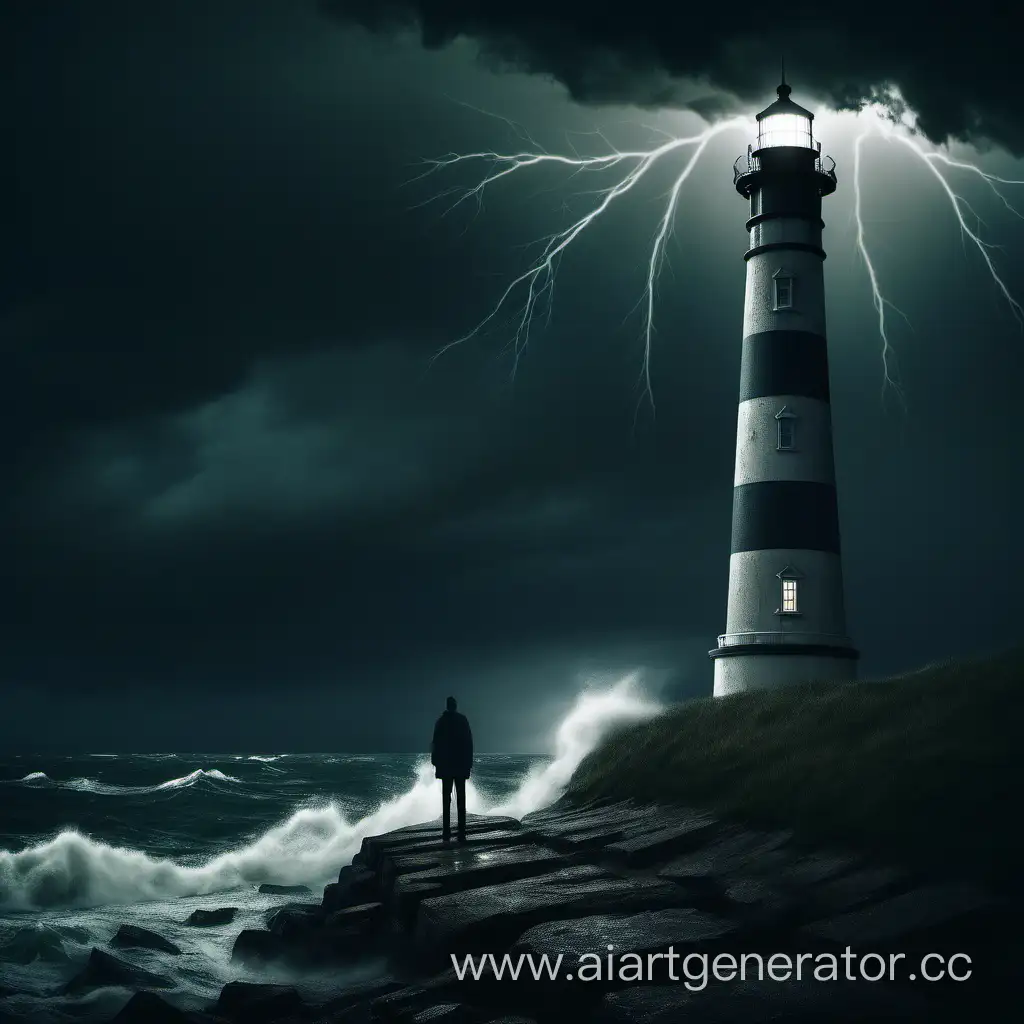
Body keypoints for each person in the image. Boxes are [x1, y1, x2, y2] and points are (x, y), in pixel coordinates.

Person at [430, 695, 473, 843]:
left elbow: (435, 743)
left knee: (446, 799)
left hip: (446, 767)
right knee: (461, 799)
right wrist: (469, 764)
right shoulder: (462, 720)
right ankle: (461, 831)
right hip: (460, 766)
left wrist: (435, 763)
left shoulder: (441, 722)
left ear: (447, 706)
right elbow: (469, 743)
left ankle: (446, 831)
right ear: (455, 706)